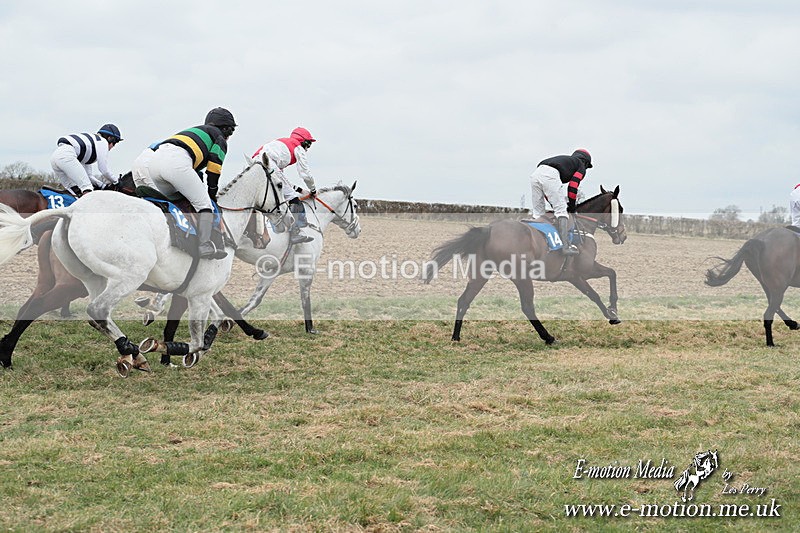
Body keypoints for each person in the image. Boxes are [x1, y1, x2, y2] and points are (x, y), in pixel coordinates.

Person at [133, 107, 236, 260]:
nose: (229, 136)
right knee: (204, 205)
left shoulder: (195, 132)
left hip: (154, 165)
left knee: (180, 201)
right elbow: (214, 169)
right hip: (177, 164)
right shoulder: (219, 137)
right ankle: (204, 244)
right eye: (231, 132)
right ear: (226, 129)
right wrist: (212, 194)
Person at [252, 127, 318, 244]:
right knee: (293, 199)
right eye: (308, 145)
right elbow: (305, 174)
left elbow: (283, 182)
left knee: (275, 198)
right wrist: (313, 189)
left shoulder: (281, 148)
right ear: (303, 141)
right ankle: (296, 232)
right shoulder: (298, 147)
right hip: (267, 163)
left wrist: (301, 190)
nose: (307, 149)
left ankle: (273, 227)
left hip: (254, 163)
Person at [529, 149, 593, 255]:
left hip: (536, 173)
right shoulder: (580, 165)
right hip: (550, 175)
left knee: (538, 213)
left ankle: (536, 241)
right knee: (562, 211)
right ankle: (565, 247)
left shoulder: (566, 161)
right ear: (585, 162)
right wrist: (572, 207)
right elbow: (573, 186)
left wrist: (554, 203)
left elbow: (547, 193)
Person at [50, 124, 123, 196]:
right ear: (110, 138)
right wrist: (116, 181)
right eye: (115, 143)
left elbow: (89, 176)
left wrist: (102, 186)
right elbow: (103, 169)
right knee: (87, 188)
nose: (113, 147)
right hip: (66, 156)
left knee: (74, 191)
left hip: (55, 157)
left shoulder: (90, 147)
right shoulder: (103, 142)